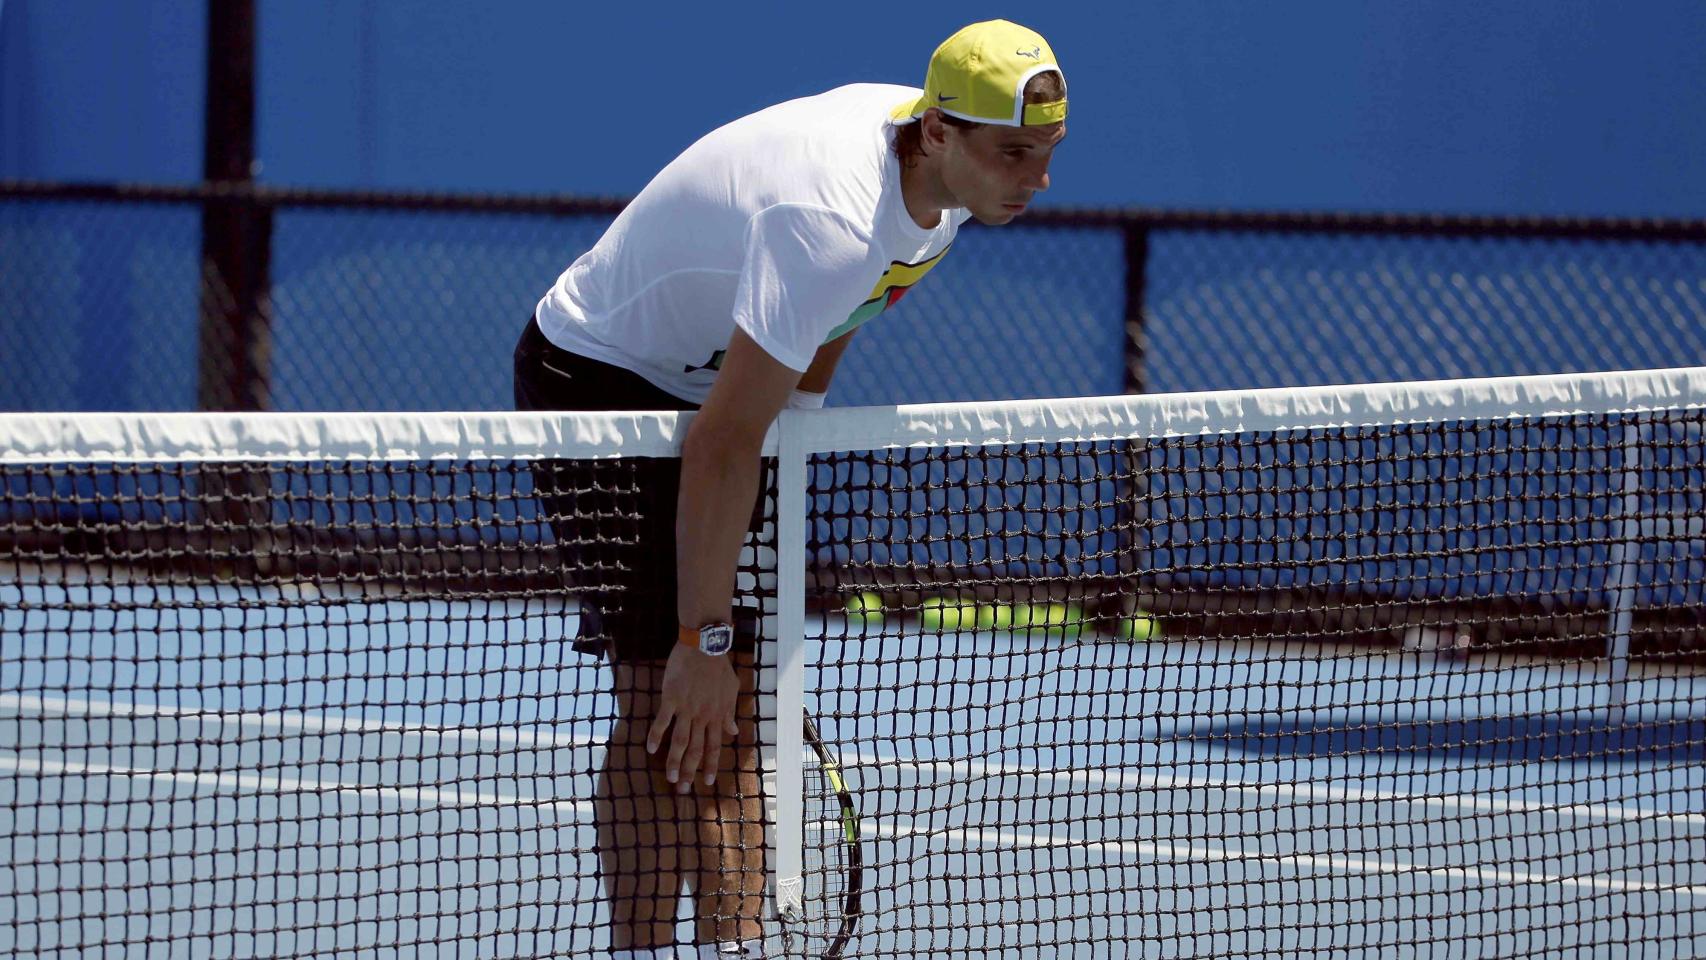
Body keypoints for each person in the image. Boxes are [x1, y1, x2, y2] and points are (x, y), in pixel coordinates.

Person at [513, 19, 1068, 960]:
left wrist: (792, 437)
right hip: (597, 378)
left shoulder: (944, 198)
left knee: (734, 705)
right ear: (938, 130)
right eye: (1015, 152)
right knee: (661, 690)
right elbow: (724, 441)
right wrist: (700, 640)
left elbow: (840, 313)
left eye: (1048, 151)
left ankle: (731, 947)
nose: (1038, 178)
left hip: (723, 391)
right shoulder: (831, 215)